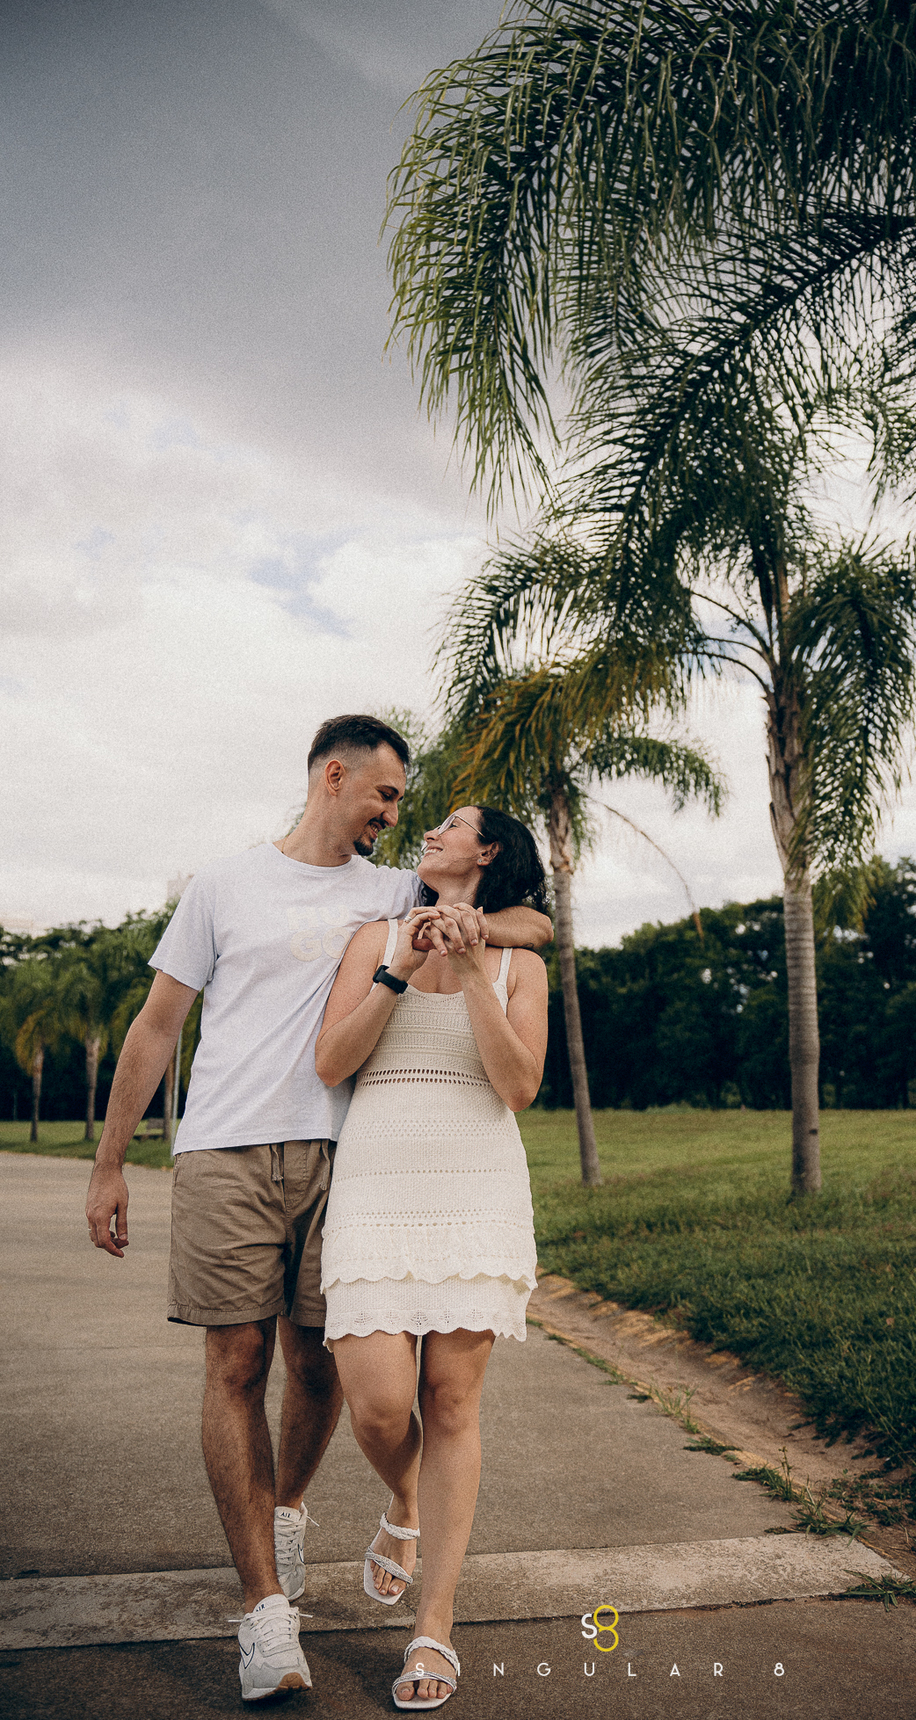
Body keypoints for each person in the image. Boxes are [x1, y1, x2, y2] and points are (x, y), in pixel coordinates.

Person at [82, 717, 552, 1705]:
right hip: (227, 1148)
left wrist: (475, 937)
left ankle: (292, 1510)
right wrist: (111, 1161)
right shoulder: (226, 886)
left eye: (408, 804)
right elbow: (158, 1023)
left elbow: (527, 924)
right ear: (334, 778)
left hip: (346, 1156)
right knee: (241, 1360)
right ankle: (263, 1610)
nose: (396, 815)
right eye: (384, 796)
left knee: (315, 1364)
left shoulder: (390, 888)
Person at [314, 804, 549, 1712]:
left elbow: (519, 1086)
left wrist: (474, 973)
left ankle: (434, 1626)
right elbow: (333, 1061)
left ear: (486, 852)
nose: (434, 829)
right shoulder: (375, 934)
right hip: (377, 1181)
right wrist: (398, 972)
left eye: (452, 822)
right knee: (376, 1404)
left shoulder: (518, 960)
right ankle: (406, 1507)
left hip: (475, 1184)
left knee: (451, 1402)